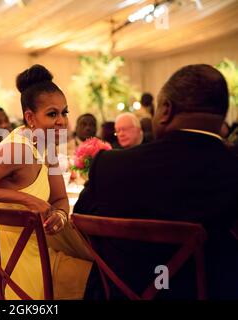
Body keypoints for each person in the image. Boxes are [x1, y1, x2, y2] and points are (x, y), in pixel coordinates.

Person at [74, 64, 238, 299]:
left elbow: (82, 223)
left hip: (120, 294)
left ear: (165, 111)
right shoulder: (231, 168)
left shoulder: (110, 165)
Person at [0, 64, 92, 300]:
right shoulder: (17, 150)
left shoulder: (47, 146)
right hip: (4, 263)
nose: (62, 121)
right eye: (52, 114)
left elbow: (59, 198)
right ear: (30, 117)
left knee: (100, 275)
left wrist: (60, 216)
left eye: (65, 112)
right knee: (95, 279)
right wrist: (26, 199)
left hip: (38, 249)